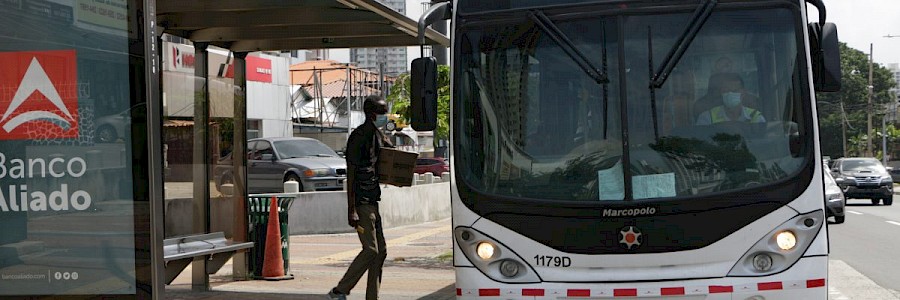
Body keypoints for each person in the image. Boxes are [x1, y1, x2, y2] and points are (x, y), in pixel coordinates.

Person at [328, 96, 393, 300]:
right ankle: (339, 291)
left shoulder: (376, 134)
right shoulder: (358, 137)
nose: (386, 116)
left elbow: (389, 155)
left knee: (381, 251)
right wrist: (352, 209)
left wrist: (386, 139)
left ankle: (372, 296)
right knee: (371, 250)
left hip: (373, 200)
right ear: (374, 114)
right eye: (383, 112)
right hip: (362, 203)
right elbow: (351, 174)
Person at [695, 73, 766, 125]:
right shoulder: (707, 118)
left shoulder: (756, 117)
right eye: (726, 91)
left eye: (734, 91)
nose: (729, 93)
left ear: (743, 93)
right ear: (721, 93)